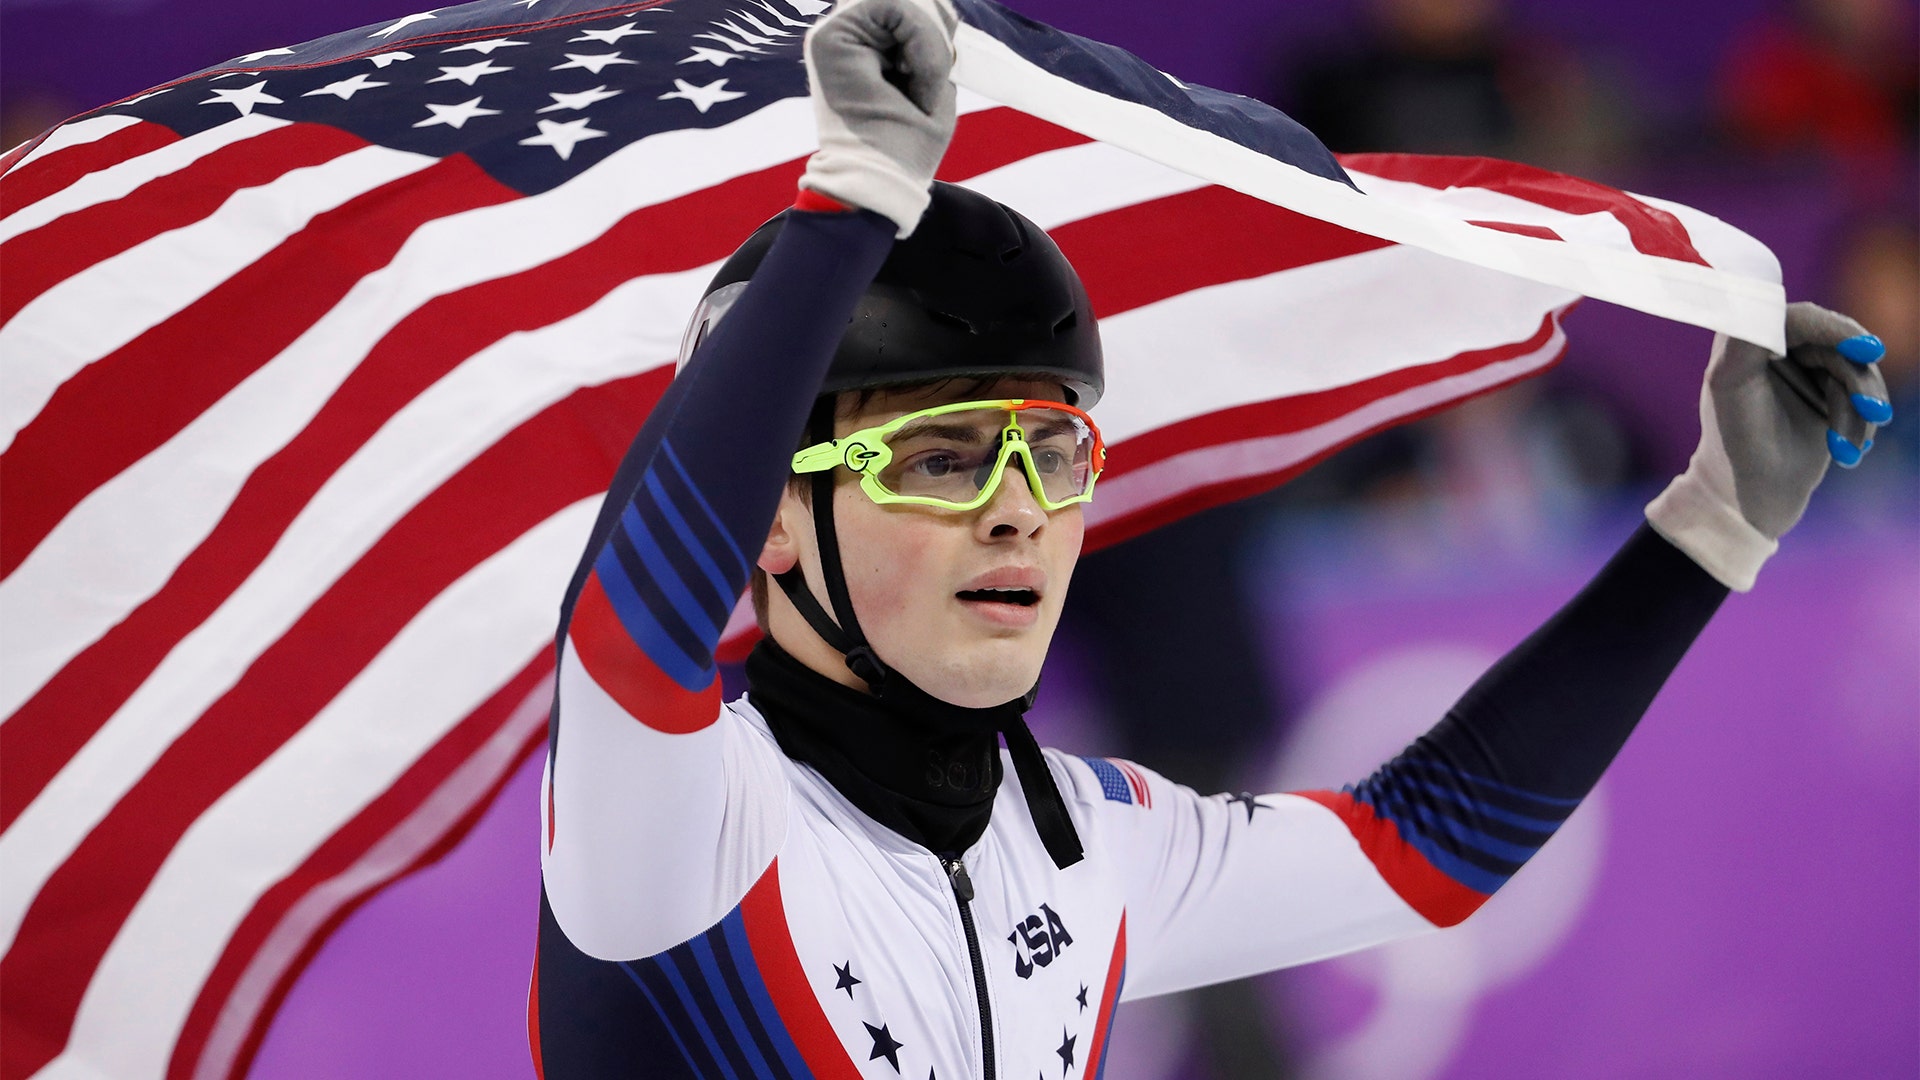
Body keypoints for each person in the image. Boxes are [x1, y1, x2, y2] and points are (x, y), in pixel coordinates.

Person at [528, 0, 1892, 1075]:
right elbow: (632, 621)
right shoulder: (680, 822)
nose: (1019, 507)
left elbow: (1429, 846)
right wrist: (846, 211)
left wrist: (1710, 527)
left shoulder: (1082, 841)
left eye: (1052, 454)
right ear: (773, 514)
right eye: (938, 461)